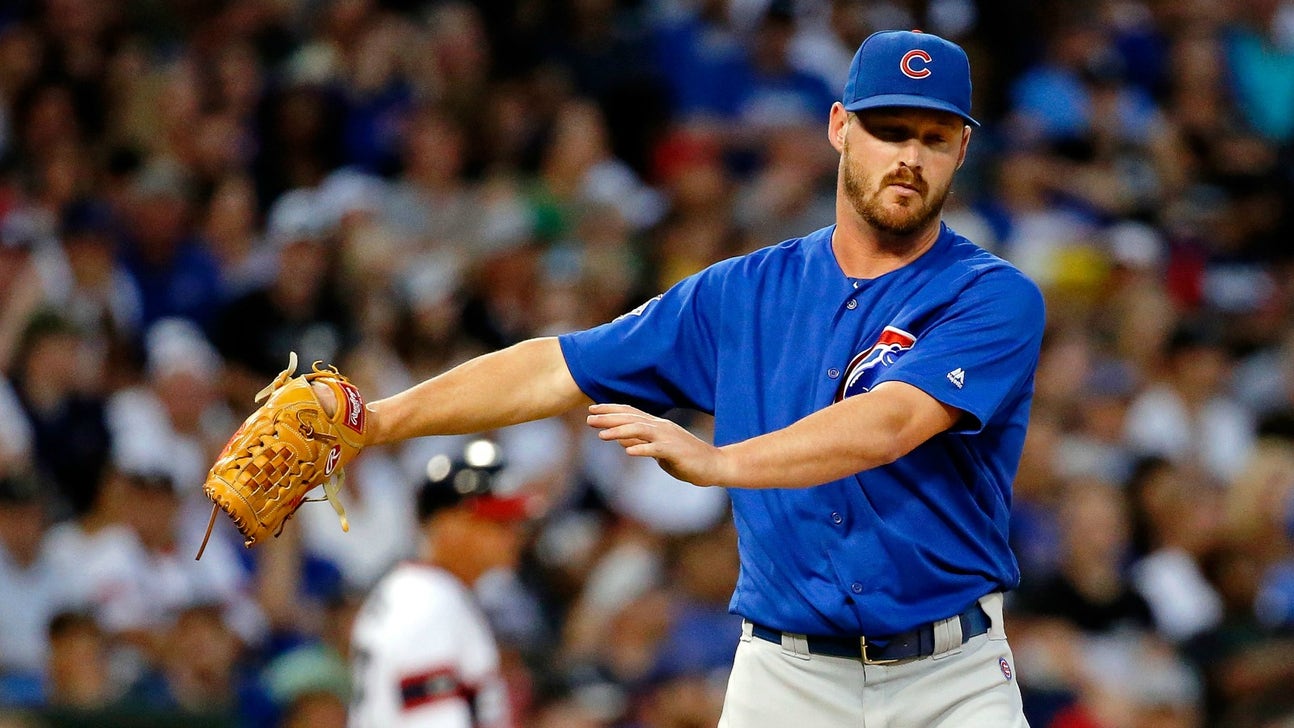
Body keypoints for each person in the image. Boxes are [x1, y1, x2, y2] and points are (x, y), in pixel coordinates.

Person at [322, 29, 1043, 726]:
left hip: (952, 680)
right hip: (787, 680)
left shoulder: (991, 295)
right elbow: (558, 366)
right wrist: (379, 421)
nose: (910, 156)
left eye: (934, 137)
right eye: (889, 129)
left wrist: (722, 461)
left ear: (963, 148)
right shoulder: (743, 293)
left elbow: (892, 422)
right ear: (839, 127)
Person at [348, 439, 530, 728]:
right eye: (497, 522)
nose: (514, 536)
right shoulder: (426, 607)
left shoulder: (426, 593)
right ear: (448, 525)